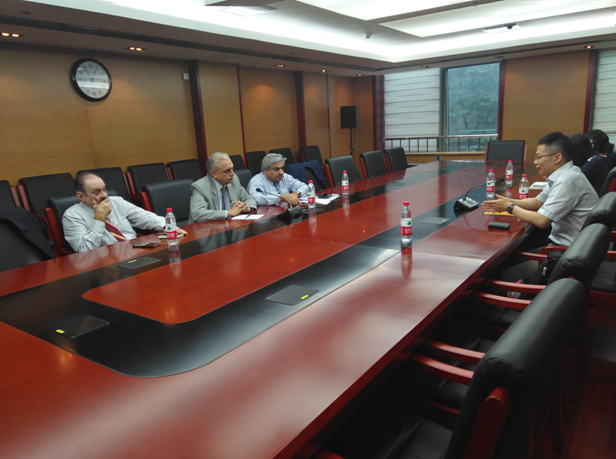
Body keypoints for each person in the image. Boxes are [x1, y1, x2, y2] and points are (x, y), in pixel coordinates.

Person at [482, 132, 598, 249]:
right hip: (573, 244)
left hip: (570, 250)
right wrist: (509, 201)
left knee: (507, 251)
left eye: (539, 157)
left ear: (557, 157)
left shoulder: (566, 181)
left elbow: (542, 221)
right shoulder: (567, 173)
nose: (535, 162)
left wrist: (509, 207)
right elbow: (538, 202)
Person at [63, 172, 187, 252]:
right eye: (97, 192)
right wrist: (99, 220)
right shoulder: (72, 216)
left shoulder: (116, 202)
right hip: (105, 263)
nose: (104, 195)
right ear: (81, 196)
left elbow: (144, 216)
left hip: (134, 251)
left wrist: (165, 225)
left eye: (104, 189)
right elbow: (84, 250)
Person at [188, 152, 256, 222]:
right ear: (214, 174)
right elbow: (197, 213)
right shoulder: (200, 187)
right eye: (227, 171)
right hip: (208, 227)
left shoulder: (234, 179)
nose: (232, 173)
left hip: (231, 225)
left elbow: (248, 198)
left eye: (232, 169)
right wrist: (228, 213)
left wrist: (247, 207)